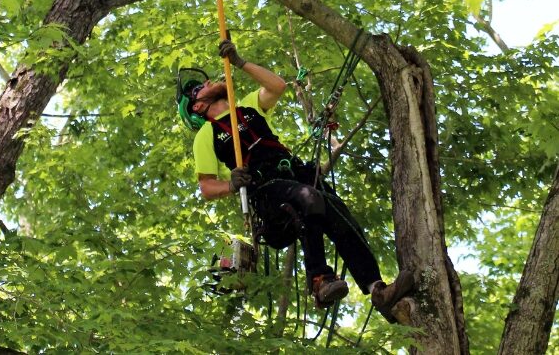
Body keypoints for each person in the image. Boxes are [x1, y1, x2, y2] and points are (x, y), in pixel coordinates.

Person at [176, 40, 414, 322]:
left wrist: (240, 62)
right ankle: (319, 279)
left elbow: (277, 86)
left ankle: (377, 289)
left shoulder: (249, 107)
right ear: (198, 106)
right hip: (265, 189)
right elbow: (206, 187)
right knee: (308, 199)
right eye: (198, 88)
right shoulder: (207, 135)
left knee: (339, 213)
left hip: (295, 173)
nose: (208, 82)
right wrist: (231, 184)